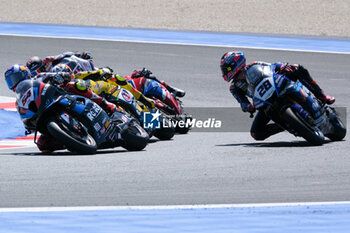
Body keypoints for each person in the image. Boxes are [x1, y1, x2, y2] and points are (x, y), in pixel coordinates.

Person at [220, 51, 335, 141]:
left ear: (236, 63)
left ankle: (321, 96)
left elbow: (272, 66)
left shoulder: (254, 65)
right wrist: (248, 107)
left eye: (227, 69)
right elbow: (243, 102)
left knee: (297, 68)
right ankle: (290, 124)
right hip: (264, 102)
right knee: (256, 133)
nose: (226, 72)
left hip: (277, 86)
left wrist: (283, 67)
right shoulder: (235, 88)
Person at [4, 64, 118, 152]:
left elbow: (67, 75)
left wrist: (60, 76)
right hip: (46, 114)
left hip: (62, 96)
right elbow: (25, 117)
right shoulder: (19, 101)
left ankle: (105, 104)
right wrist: (29, 123)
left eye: (15, 78)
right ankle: (72, 139)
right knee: (43, 145)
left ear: (25, 74)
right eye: (10, 81)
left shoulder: (39, 77)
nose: (14, 83)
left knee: (76, 85)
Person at [26, 51, 93, 76]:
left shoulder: (48, 60)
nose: (35, 74)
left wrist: (79, 55)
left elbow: (64, 55)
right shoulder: (37, 78)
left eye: (37, 71)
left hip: (73, 69)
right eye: (33, 73)